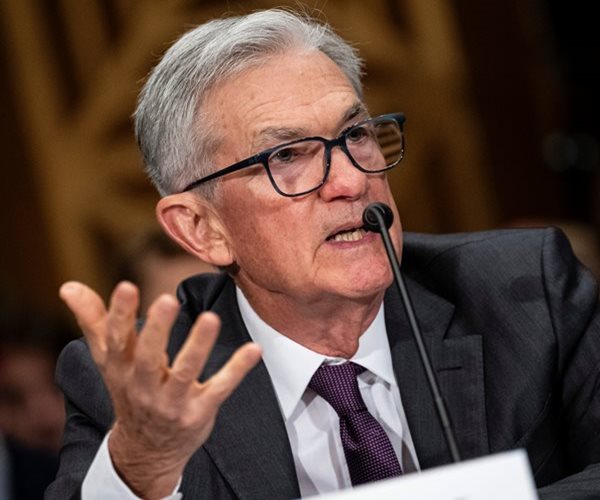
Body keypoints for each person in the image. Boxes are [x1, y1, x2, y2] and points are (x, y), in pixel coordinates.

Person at [46, 8, 600, 500]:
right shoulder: (141, 391)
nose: (351, 181)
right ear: (201, 227)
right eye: (287, 156)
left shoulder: (524, 292)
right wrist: (143, 469)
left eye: (355, 135)